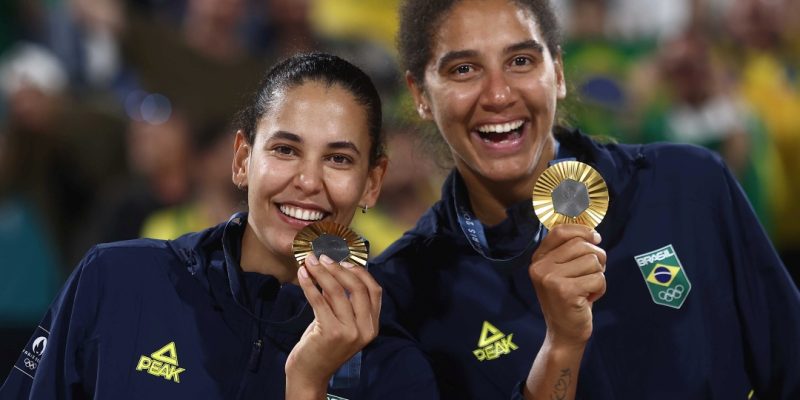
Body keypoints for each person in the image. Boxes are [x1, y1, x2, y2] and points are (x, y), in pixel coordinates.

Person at [370, 0, 800, 399]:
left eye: (521, 61)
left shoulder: (690, 187)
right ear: (420, 96)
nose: (498, 95)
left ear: (557, 71)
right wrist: (560, 346)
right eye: (463, 70)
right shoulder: (407, 292)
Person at [0, 52, 438, 399]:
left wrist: (308, 385)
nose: (307, 181)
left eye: (338, 159)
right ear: (242, 159)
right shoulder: (116, 281)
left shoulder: (393, 368)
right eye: (285, 150)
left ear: (372, 183)